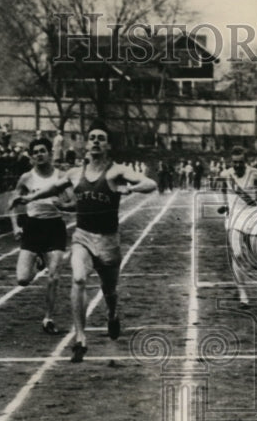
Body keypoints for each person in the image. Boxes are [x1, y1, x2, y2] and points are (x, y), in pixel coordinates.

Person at [10, 121, 156, 363]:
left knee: (109, 291)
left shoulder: (116, 171)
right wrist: (27, 197)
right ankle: (80, 339)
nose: (96, 141)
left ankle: (112, 313)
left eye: (101, 138)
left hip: (108, 240)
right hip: (83, 237)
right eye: (92, 138)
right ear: (87, 144)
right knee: (78, 278)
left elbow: (150, 184)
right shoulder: (75, 173)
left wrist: (131, 189)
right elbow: (49, 189)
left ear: (108, 145)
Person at [9, 138, 73, 335]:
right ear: (31, 156)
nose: (39, 155)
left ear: (50, 153)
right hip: (32, 227)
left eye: (42, 151)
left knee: (54, 277)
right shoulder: (26, 178)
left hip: (54, 227)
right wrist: (15, 227)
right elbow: (12, 203)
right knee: (22, 279)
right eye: (35, 152)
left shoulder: (61, 176)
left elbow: (73, 201)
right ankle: (38, 263)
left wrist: (63, 205)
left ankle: (49, 318)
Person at [217, 147, 257, 306]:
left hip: (252, 215)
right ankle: (242, 293)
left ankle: (251, 264)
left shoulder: (254, 173)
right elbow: (222, 189)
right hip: (235, 217)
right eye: (235, 163)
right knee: (238, 254)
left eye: (240, 162)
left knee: (254, 260)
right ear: (231, 162)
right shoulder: (225, 175)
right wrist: (224, 204)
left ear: (245, 162)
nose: (238, 165)